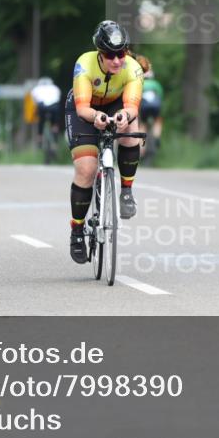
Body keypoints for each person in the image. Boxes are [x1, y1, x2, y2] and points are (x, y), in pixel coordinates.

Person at [65, 20, 144, 264]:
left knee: (131, 130)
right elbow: (82, 108)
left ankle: (127, 191)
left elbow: (131, 106)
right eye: (110, 55)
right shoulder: (85, 64)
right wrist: (96, 118)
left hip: (115, 105)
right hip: (86, 110)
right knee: (87, 169)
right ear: (100, 54)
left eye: (121, 53)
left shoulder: (132, 69)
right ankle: (77, 230)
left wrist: (124, 116)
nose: (117, 61)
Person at [135, 55, 164, 161]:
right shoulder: (157, 84)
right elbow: (160, 97)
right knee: (158, 120)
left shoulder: (140, 84)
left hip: (143, 107)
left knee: (142, 125)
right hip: (155, 106)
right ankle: (157, 136)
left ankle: (141, 149)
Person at [31, 76, 62, 149]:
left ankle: (40, 138)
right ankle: (55, 141)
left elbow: (34, 102)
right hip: (54, 107)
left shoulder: (36, 89)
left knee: (40, 122)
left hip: (42, 107)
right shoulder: (55, 88)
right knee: (54, 124)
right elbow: (58, 98)